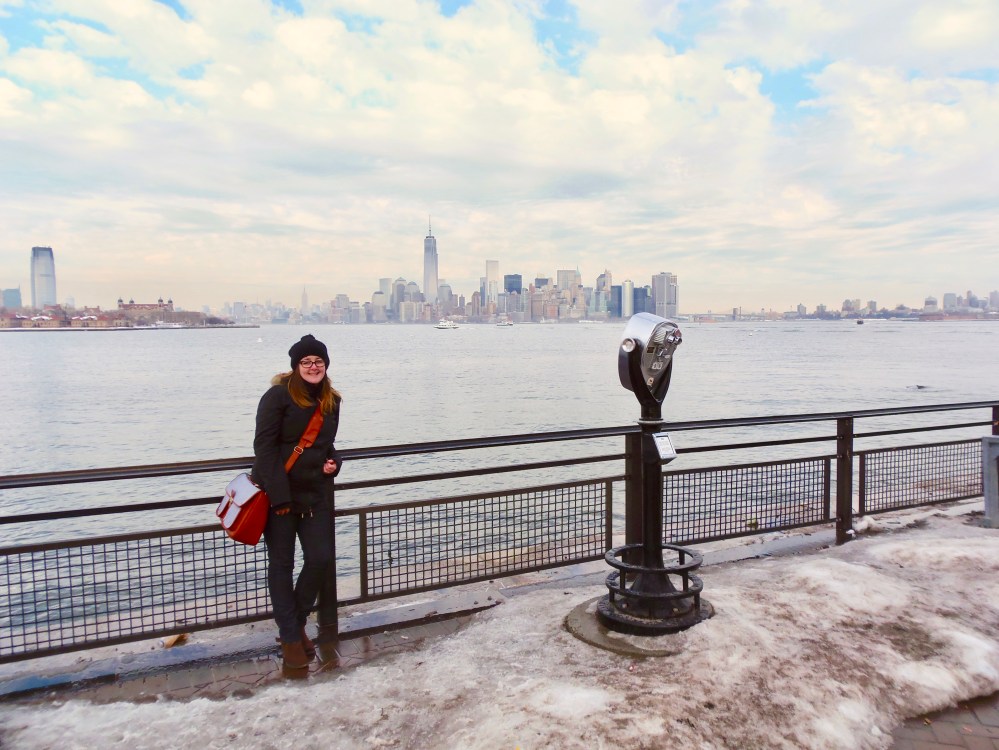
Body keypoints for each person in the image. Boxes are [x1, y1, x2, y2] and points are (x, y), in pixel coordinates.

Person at [252, 334, 342, 669]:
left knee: (320, 558)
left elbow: (327, 445)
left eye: (318, 361)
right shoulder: (276, 397)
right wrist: (278, 497)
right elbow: (264, 449)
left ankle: (298, 622)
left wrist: (334, 464)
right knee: (282, 565)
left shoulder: (331, 401)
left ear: (325, 365)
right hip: (280, 497)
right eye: (306, 362)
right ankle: (290, 637)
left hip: (314, 494)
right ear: (295, 366)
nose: (313, 366)